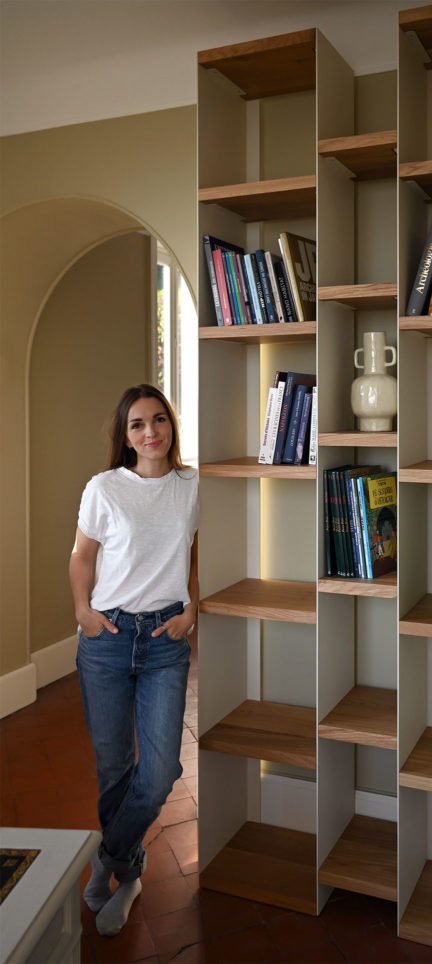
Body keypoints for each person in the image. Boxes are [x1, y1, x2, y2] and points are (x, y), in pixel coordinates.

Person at [69, 383, 199, 937]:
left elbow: (198, 550)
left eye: (159, 421)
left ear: (171, 424)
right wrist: (83, 611)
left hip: (167, 639)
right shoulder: (104, 488)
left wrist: (194, 606)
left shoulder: (194, 485)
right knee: (115, 770)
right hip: (107, 638)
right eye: (138, 425)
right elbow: (81, 557)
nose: (152, 433)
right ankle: (130, 875)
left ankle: (106, 858)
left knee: (162, 769)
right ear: (125, 437)